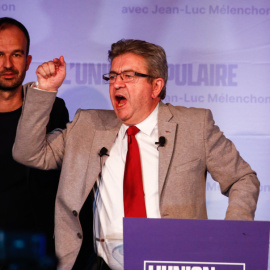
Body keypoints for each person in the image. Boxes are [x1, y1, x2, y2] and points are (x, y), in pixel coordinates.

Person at [13, 39, 260, 270]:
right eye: (112, 76)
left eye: (128, 76)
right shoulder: (87, 126)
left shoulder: (194, 126)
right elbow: (29, 153)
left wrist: (232, 238)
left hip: (173, 262)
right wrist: (45, 90)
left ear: (156, 86)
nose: (117, 83)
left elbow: (243, 179)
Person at [0, 17, 69, 262]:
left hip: (36, 249)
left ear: (28, 61)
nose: (7, 64)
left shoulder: (52, 107)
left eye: (16, 54)